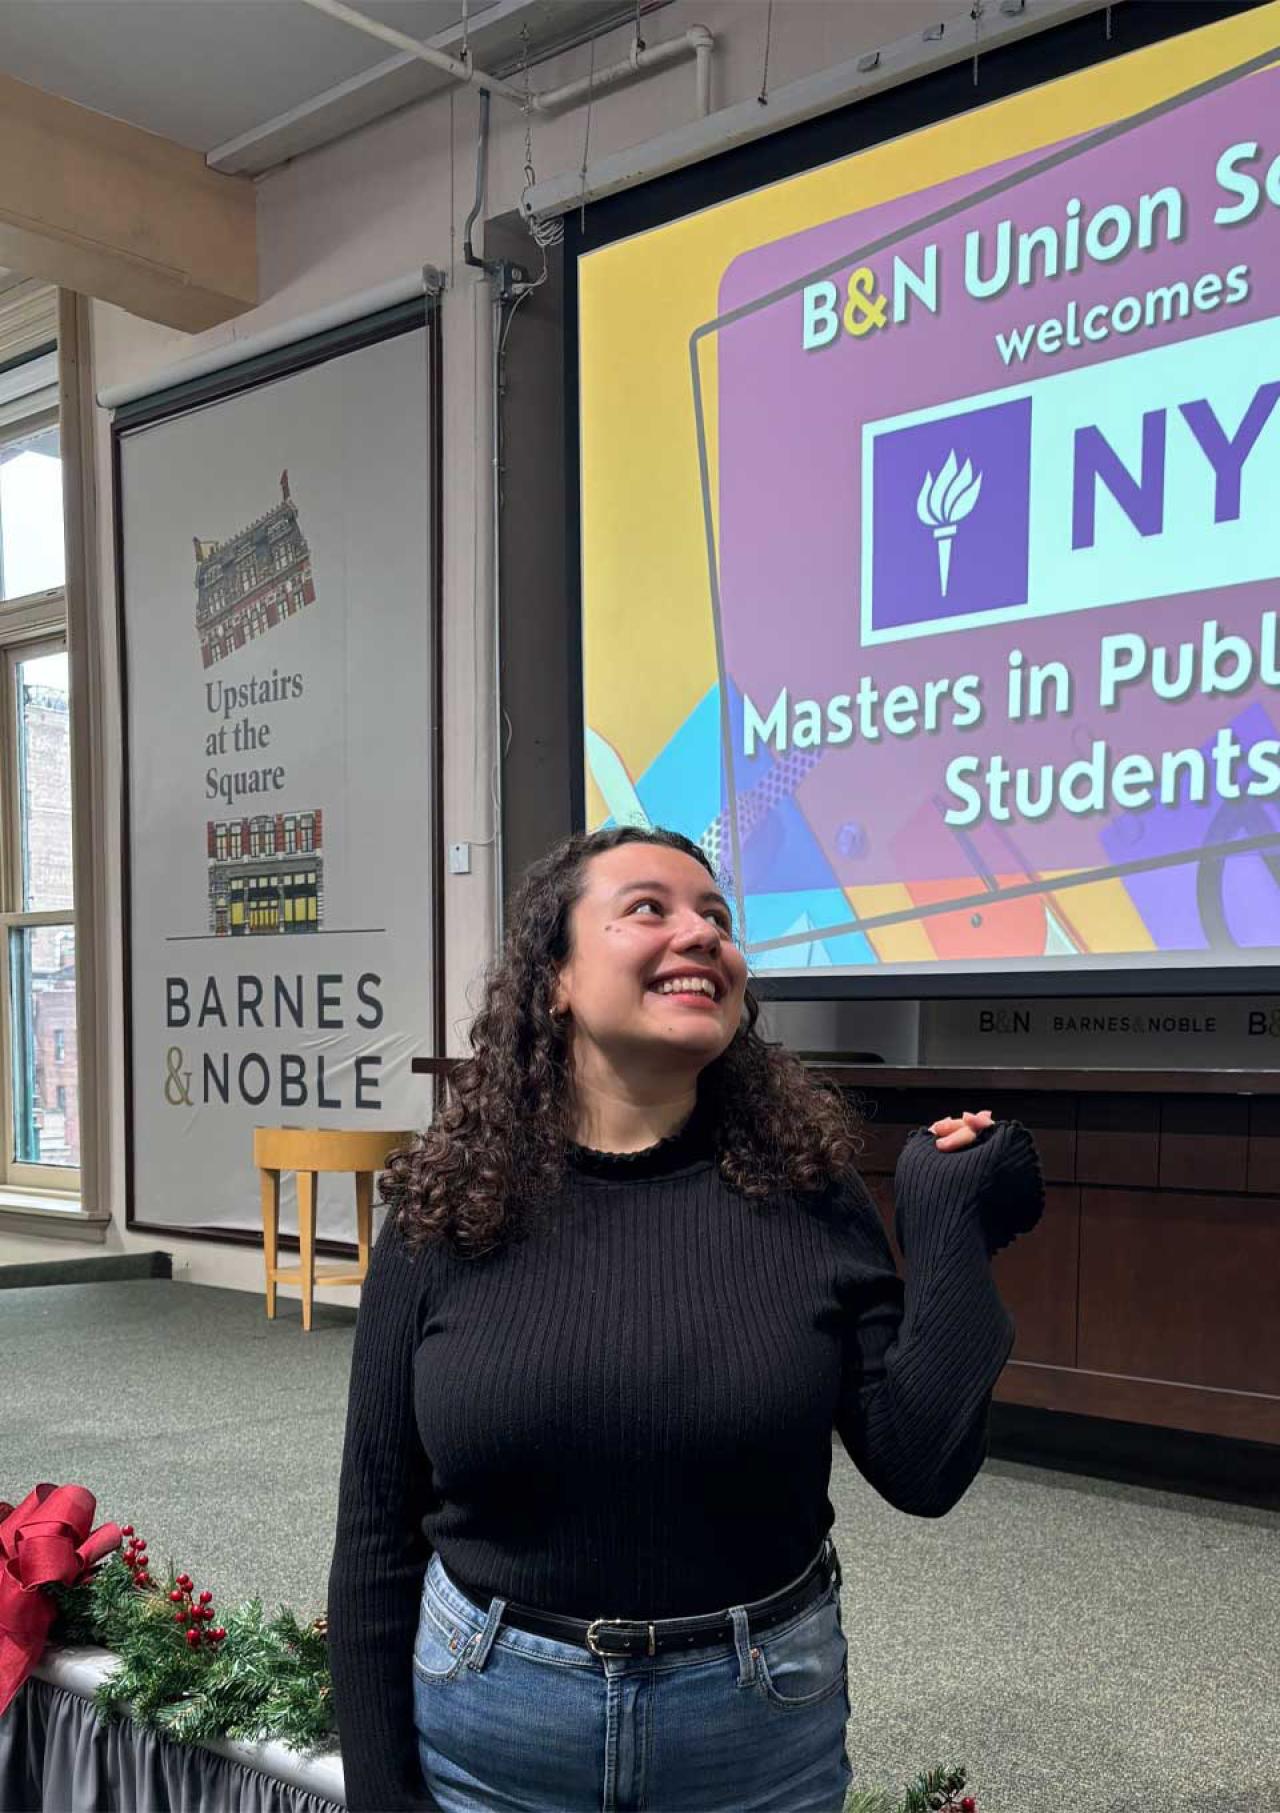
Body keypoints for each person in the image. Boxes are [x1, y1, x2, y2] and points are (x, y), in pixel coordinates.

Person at [326, 826, 1044, 1813]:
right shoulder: (445, 1211)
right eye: (647, 909)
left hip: (754, 1721)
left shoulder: (806, 1194)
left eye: (716, 917)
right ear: (553, 982)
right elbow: (374, 1524)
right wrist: (379, 1794)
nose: (700, 934)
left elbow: (920, 1464)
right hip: (494, 1719)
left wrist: (947, 1215)